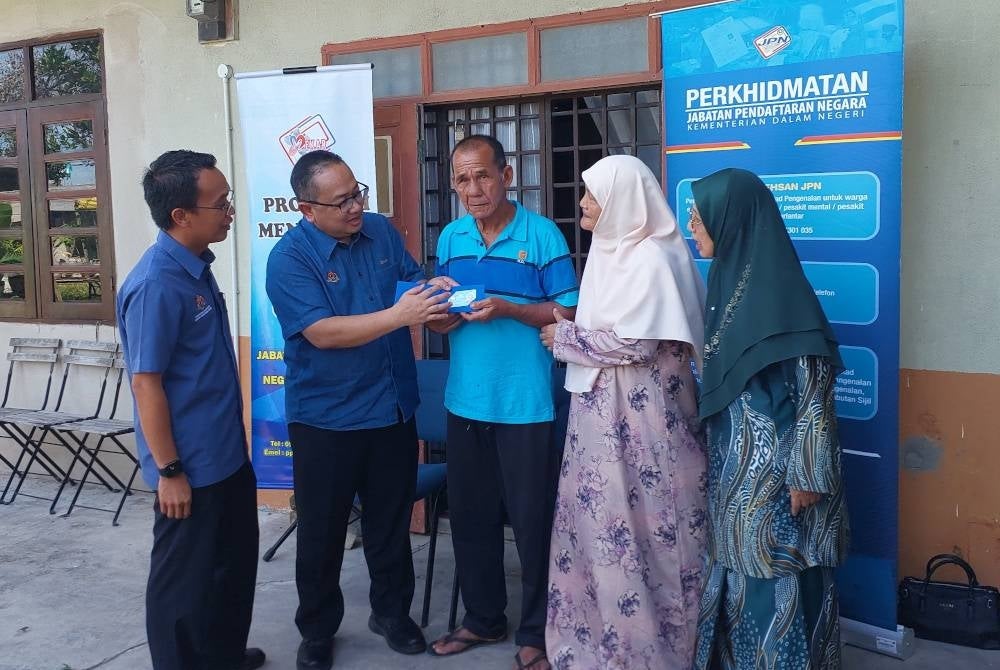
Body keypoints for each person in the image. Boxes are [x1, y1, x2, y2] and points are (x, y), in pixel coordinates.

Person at [265, 150, 451, 670]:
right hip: (326, 418)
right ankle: (317, 629)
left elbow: (411, 288)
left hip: (391, 408)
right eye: (341, 201)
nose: (355, 207)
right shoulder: (289, 258)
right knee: (322, 531)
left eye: (357, 193)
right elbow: (322, 333)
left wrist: (438, 297)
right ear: (307, 209)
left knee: (389, 523)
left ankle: (391, 614)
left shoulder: (380, 232)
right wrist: (400, 314)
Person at [540, 155, 708, 670]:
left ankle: (654, 653)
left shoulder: (652, 257)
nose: (583, 203)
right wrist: (573, 335)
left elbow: (636, 343)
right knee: (602, 527)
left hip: (644, 425)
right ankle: (603, 645)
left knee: (651, 531)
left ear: (623, 201)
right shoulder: (612, 251)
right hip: (599, 420)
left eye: (594, 195)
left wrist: (564, 337)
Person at [686, 168, 849, 669]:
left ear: (731, 219)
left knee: (778, 570)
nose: (692, 225)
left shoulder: (782, 294)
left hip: (779, 475)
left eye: (701, 215)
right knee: (737, 567)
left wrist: (808, 474)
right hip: (734, 469)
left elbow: (814, 390)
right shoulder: (726, 283)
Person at [426, 135, 578, 670]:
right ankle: (483, 618)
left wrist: (511, 309)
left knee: (533, 524)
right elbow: (445, 316)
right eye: (462, 179)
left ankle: (537, 632)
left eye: (483, 176)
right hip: (465, 401)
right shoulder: (451, 237)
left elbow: (569, 313)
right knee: (471, 520)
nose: (474, 189)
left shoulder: (542, 234)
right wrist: (439, 317)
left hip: (526, 404)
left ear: (506, 176)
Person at [117, 150, 264, 670]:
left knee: (232, 567)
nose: (229, 211)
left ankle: (222, 656)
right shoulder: (156, 284)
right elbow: (146, 383)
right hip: (190, 468)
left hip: (226, 454)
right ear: (181, 215)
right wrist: (170, 472)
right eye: (220, 203)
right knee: (183, 585)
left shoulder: (195, 268)